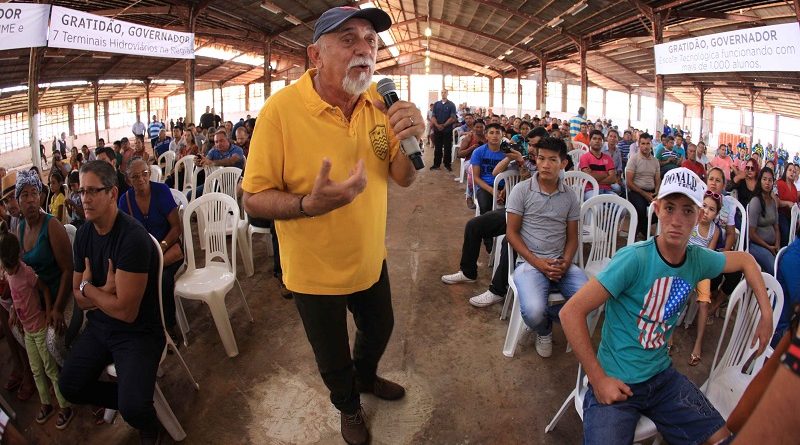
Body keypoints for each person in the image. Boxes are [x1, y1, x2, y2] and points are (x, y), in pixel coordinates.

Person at [240, 7, 422, 445]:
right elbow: (253, 198)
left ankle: (366, 377)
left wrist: (414, 137)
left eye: (371, 41)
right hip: (312, 271)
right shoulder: (280, 112)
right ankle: (348, 405)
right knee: (331, 353)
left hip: (368, 259)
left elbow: (403, 176)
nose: (364, 49)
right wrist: (308, 203)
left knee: (379, 329)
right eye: (348, 39)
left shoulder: (382, 105)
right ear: (315, 56)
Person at [560, 167, 773, 445]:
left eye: (687, 211)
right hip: (618, 380)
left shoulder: (698, 259)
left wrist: (766, 316)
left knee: (723, 439)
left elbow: (746, 260)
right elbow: (571, 312)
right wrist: (598, 380)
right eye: (670, 208)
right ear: (657, 209)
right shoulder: (634, 259)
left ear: (699, 216)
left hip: (662, 379)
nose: (676, 220)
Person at [59, 161, 166, 445]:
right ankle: (135, 403)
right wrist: (100, 291)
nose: (86, 199)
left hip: (138, 334)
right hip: (100, 328)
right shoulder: (83, 234)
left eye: (94, 191)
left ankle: (148, 421)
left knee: (134, 409)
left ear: (112, 192)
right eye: (81, 192)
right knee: (69, 385)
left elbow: (127, 312)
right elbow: (80, 301)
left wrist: (90, 290)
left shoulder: (132, 238)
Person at [506, 137, 586, 357]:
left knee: (592, 301)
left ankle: (553, 316)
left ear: (563, 164)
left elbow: (572, 238)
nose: (545, 165)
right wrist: (539, 263)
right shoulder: (522, 191)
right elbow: (511, 234)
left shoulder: (570, 197)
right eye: (541, 158)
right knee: (532, 312)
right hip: (530, 263)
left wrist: (566, 263)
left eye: (552, 160)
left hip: (562, 263)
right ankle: (544, 328)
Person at [0, 223, 73, 429]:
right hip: (28, 330)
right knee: (36, 370)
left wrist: (50, 310)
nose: (8, 270)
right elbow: (15, 295)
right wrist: (14, 310)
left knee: (50, 369)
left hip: (39, 328)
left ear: (16, 259)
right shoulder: (10, 274)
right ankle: (46, 403)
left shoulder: (26, 272)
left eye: (10, 266)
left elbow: (45, 290)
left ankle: (65, 406)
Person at [118, 159, 183, 333]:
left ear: (150, 173)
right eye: (135, 176)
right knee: (134, 281)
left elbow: (177, 227)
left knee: (162, 279)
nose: (141, 179)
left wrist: (161, 246)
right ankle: (147, 325)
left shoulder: (161, 191)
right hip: (145, 255)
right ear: (128, 180)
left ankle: (168, 327)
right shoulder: (125, 201)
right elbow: (126, 235)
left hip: (168, 248)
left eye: (145, 174)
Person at [15, 170, 77, 346]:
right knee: (23, 332)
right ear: (18, 201)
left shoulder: (52, 225)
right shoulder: (19, 229)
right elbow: (21, 272)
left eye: (34, 193)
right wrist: (17, 306)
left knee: (52, 342)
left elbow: (68, 269)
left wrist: (57, 308)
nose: (30, 199)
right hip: (39, 298)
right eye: (24, 195)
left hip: (62, 295)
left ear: (40, 198)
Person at [687, 191, 722, 366]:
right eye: (704, 206)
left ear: (716, 214)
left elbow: (708, 256)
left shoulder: (714, 231)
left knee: (704, 302)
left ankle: (698, 343)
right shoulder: (692, 221)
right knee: (677, 293)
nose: (706, 211)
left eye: (712, 209)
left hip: (701, 269)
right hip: (685, 264)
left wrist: (699, 273)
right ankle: (667, 339)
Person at [626, 132, 660, 238]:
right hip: (637, 191)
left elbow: (658, 179)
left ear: (651, 144)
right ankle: (645, 232)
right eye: (643, 143)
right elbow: (629, 183)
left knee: (662, 209)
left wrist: (657, 193)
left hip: (652, 192)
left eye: (647, 144)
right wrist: (645, 194)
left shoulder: (655, 161)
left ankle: (640, 228)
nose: (645, 146)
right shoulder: (634, 159)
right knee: (640, 210)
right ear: (639, 144)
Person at [747, 167, 779, 275]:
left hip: (772, 245)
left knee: (782, 262)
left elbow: (776, 228)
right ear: (760, 181)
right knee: (774, 268)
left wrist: (777, 245)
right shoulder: (756, 201)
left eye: (770, 180)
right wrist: (769, 247)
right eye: (764, 179)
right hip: (757, 245)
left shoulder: (773, 202)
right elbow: (752, 234)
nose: (767, 183)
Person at [470, 123, 507, 214]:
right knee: (486, 207)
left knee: (515, 207)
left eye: (498, 133)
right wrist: (492, 191)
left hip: (504, 187)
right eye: (491, 133)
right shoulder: (478, 152)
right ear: (486, 136)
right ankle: (487, 227)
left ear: (502, 135)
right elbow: (476, 177)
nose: (495, 136)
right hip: (485, 186)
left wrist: (504, 190)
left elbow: (510, 173)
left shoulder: (507, 153)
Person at [579, 130, 617, 199]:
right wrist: (606, 174)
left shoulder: (608, 158)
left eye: (600, 139)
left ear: (602, 143)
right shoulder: (584, 157)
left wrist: (594, 178)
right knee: (598, 207)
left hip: (607, 191)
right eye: (594, 138)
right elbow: (589, 177)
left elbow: (613, 179)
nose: (597, 141)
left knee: (623, 208)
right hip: (590, 190)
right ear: (589, 142)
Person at [430, 88, 457, 171]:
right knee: (437, 147)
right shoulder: (436, 104)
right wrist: (437, 125)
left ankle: (447, 164)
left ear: (447, 93)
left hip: (447, 130)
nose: (443, 94)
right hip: (437, 130)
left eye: (445, 92)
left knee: (447, 148)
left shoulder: (452, 105)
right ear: (440, 94)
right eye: (442, 92)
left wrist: (444, 125)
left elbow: (452, 118)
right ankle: (436, 164)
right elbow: (433, 116)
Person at [776, 163, 798, 247]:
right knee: (786, 232)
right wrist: (787, 203)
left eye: (794, 171)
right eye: (790, 170)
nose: (792, 172)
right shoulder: (779, 183)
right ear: (785, 171)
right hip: (780, 214)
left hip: (791, 216)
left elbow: (795, 203)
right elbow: (776, 201)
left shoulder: (794, 188)